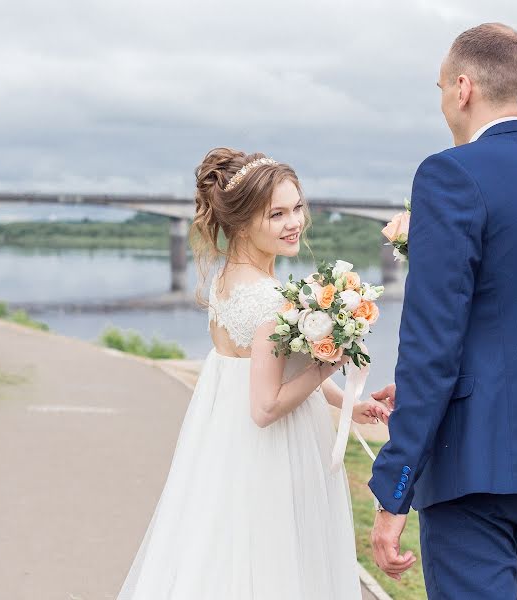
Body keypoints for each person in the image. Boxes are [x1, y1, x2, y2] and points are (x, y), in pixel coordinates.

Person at [368, 23, 517, 599]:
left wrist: (395, 485)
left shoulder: (450, 173)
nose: (443, 98)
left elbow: (431, 342)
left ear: (464, 88)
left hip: (473, 464)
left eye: (441, 85)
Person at [116, 148, 389, 599]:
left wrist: (349, 404)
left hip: (228, 444)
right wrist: (329, 365)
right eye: (277, 214)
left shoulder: (228, 280)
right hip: (271, 449)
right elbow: (266, 406)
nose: (294, 222)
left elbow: (270, 372)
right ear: (242, 222)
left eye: (297, 207)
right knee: (275, 567)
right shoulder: (267, 299)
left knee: (228, 557)